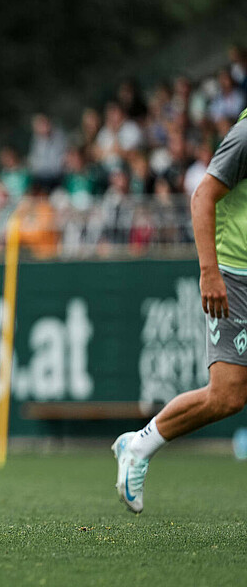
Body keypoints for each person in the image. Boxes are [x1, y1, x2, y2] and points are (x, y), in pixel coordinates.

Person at [112, 107, 247, 514]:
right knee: (226, 396)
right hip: (235, 273)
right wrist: (209, 273)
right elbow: (202, 195)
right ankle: (139, 446)